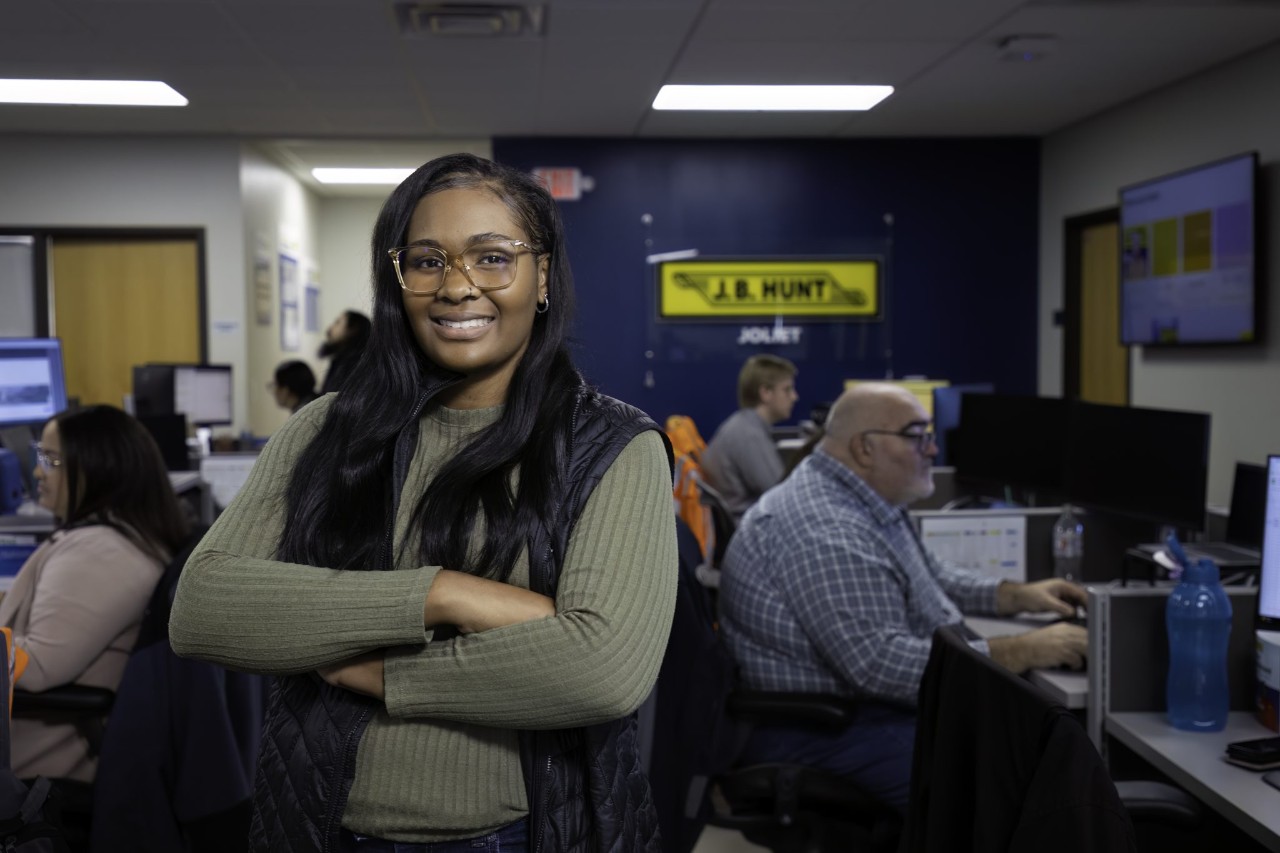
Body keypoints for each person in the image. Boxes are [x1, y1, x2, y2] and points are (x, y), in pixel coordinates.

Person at [169, 153, 678, 852]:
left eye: (493, 258)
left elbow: (601, 669)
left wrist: (384, 674)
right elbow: (202, 607)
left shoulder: (610, 446)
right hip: (314, 824)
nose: (458, 287)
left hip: (513, 836)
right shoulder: (326, 428)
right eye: (428, 260)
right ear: (397, 279)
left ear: (543, 279)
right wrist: (443, 594)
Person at [719, 382, 1087, 814]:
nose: (932, 450)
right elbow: (880, 665)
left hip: (858, 709)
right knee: (1017, 785)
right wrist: (1023, 650)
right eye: (917, 436)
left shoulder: (863, 500)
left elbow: (927, 575)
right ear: (865, 448)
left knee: (1029, 749)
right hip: (825, 726)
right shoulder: (825, 528)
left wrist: (1017, 597)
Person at [1, 405, 190, 782]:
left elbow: (37, 666)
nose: (38, 472)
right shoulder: (120, 538)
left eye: (52, 460)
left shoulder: (100, 554)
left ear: (98, 469)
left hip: (32, 762)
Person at [700, 354, 799, 522]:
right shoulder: (749, 435)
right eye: (787, 389)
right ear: (765, 393)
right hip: (750, 528)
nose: (794, 397)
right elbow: (781, 495)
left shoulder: (743, 425)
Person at [318, 309, 372, 394]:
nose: (330, 328)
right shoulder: (341, 360)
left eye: (337, 322)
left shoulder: (354, 365)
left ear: (353, 330)